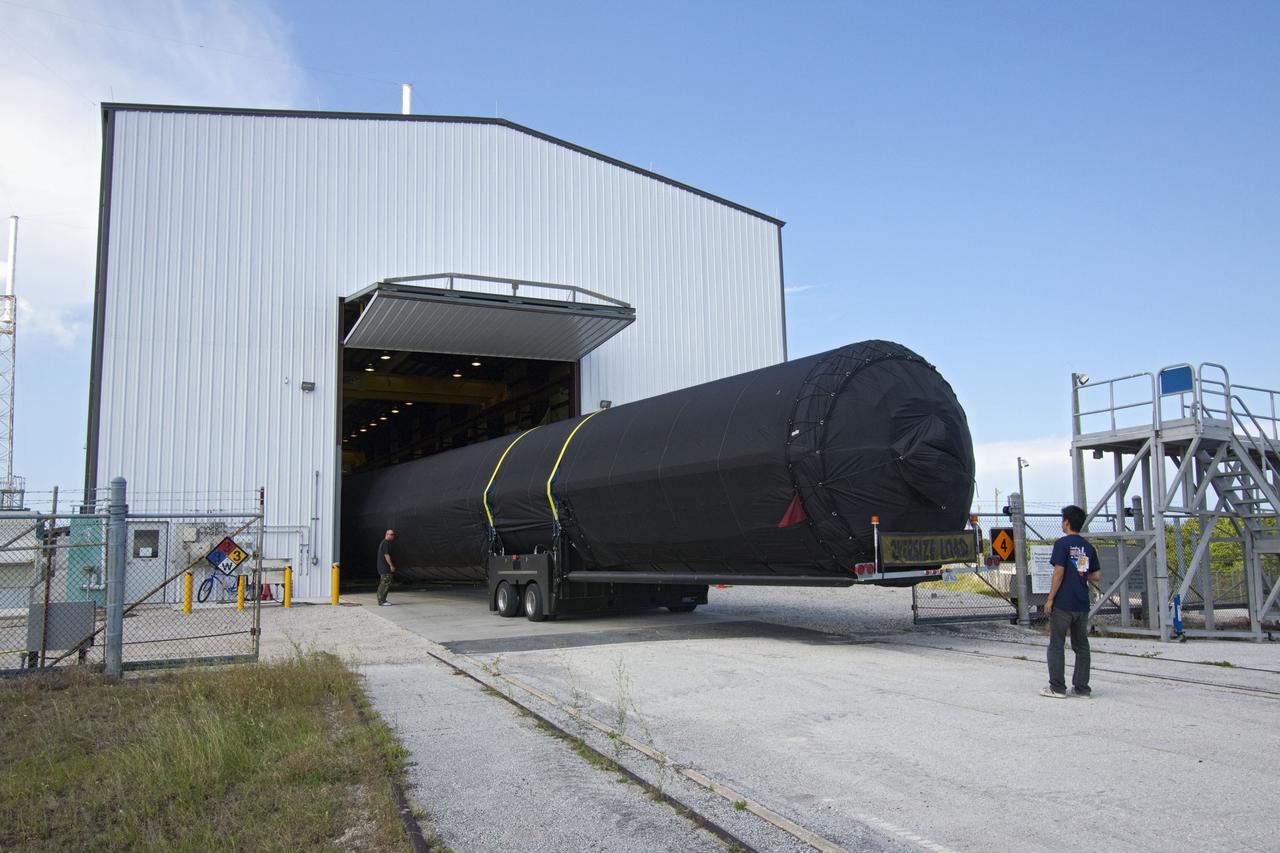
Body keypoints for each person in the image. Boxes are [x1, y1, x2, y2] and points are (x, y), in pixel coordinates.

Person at [1042, 505, 1100, 698]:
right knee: (1081, 645)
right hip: (1082, 602)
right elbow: (1096, 576)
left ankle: (1057, 687)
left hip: (1063, 603)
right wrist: (1080, 571)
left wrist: (1050, 598)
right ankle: (1082, 688)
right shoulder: (1088, 547)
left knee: (1057, 644)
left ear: (1066, 522)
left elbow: (1059, 571)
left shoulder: (1062, 544)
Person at [376, 529, 397, 606]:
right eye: (391, 534)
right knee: (385, 584)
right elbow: (386, 555)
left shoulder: (386, 543)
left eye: (393, 534)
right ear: (386, 535)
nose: (392, 536)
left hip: (383, 567)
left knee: (385, 583)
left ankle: (382, 600)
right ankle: (382, 601)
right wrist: (391, 565)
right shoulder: (385, 543)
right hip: (385, 567)